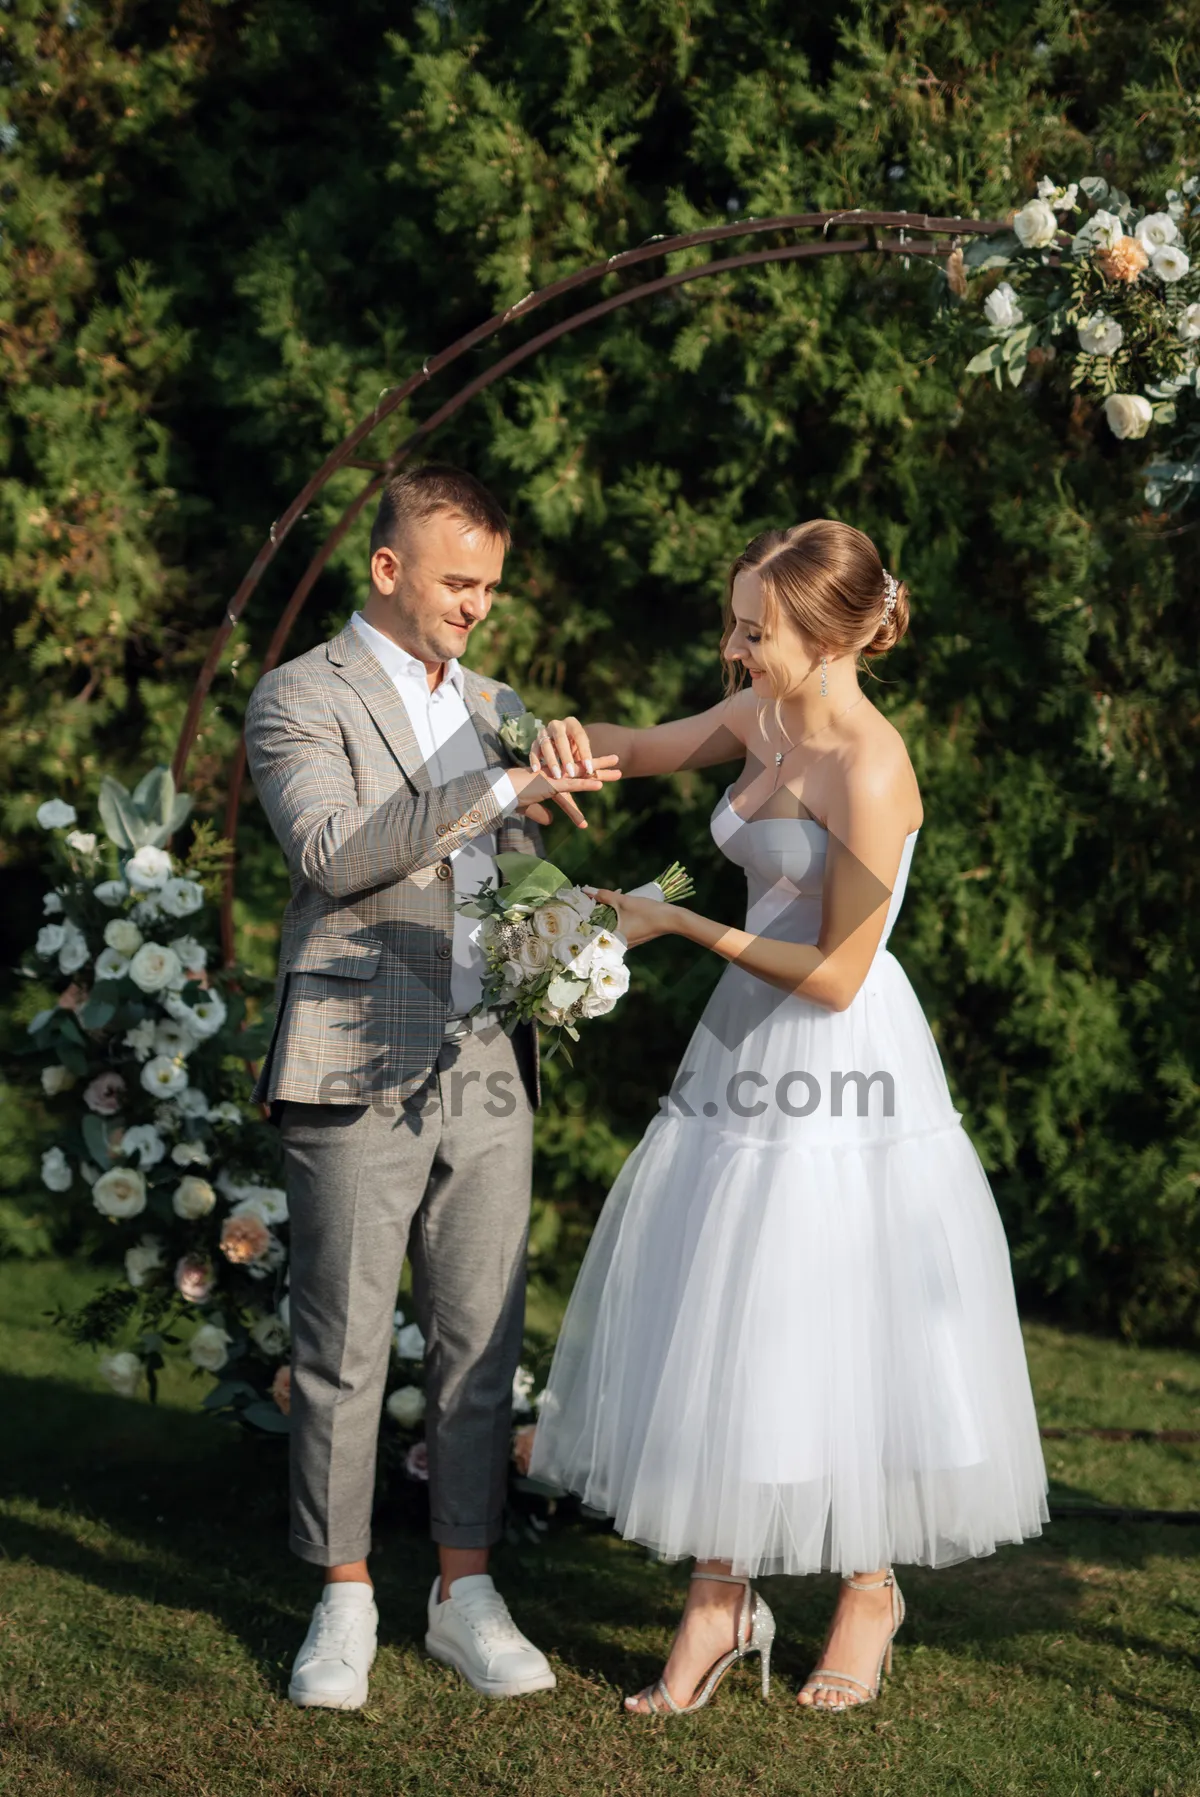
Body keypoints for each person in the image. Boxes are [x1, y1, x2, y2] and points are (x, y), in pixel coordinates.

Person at [527, 520, 1050, 1714]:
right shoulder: (761, 719)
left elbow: (839, 974)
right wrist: (561, 747)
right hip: (739, 1053)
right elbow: (641, 749)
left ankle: (869, 1587)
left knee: (832, 1312)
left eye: (754, 631)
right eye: (735, 623)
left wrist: (677, 924)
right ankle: (721, 1596)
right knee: (726, 1306)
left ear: (825, 637)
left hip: (836, 1057)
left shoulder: (870, 766)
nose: (733, 647)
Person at [244, 463, 620, 1708]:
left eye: (493, 587)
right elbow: (336, 853)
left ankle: (466, 1592)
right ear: (389, 569)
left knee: (481, 1340)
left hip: (486, 1063)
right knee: (343, 1343)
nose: (479, 607)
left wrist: (576, 937)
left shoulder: (502, 703)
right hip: (351, 1050)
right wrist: (503, 786)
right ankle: (341, 1596)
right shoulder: (298, 695)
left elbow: (507, 881)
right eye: (460, 582)